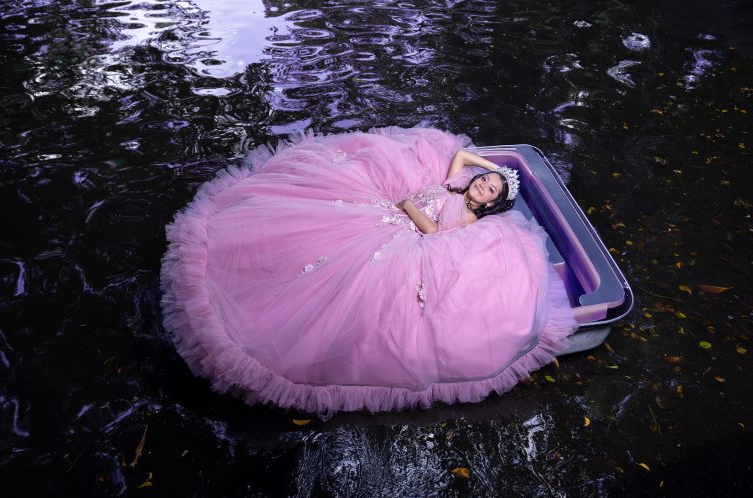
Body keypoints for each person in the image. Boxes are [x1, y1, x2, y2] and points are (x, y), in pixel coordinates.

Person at [160, 126, 577, 417]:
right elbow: (462, 156)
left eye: (489, 192)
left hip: (406, 229)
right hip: (388, 213)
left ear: (488, 206)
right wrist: (496, 169)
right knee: (311, 231)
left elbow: (432, 232)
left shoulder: (467, 218)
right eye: (484, 182)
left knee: (350, 282)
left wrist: (410, 204)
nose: (482, 187)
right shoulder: (455, 183)